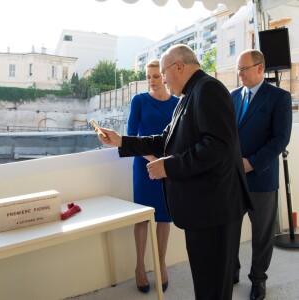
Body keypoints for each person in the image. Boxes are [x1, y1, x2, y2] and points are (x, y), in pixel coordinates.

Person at [97, 44, 252, 300]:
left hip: (215, 209)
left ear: (179, 67)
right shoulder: (188, 96)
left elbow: (218, 146)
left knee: (213, 285)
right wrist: (122, 141)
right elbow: (164, 140)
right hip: (204, 208)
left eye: (164, 73)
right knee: (206, 281)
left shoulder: (208, 90)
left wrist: (168, 166)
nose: (163, 80)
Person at [231, 49, 292, 300]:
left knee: (262, 234)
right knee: (229, 229)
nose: (240, 73)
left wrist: (252, 164)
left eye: (244, 68)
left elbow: (280, 139)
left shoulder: (279, 97)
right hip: (232, 178)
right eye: (238, 68)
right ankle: (230, 270)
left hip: (261, 178)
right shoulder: (232, 96)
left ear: (259, 68)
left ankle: (258, 280)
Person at [127, 59, 179, 293]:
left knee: (165, 216)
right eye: (148, 77)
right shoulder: (139, 101)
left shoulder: (178, 103)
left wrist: (166, 163)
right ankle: (140, 267)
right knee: (142, 216)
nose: (152, 80)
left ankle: (161, 264)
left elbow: (181, 137)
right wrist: (153, 161)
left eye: (156, 76)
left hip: (168, 166)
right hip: (145, 166)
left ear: (165, 76)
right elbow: (130, 137)